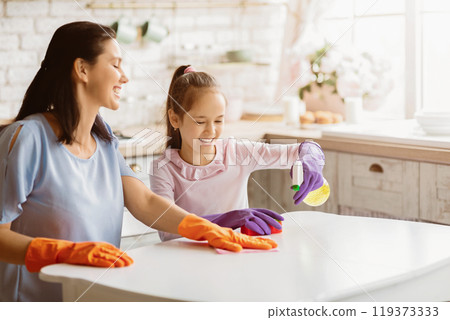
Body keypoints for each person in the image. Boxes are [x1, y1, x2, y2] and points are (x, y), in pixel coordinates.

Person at [0, 22, 277, 302]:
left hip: (91, 298)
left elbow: (143, 202)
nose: (125, 77)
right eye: (116, 65)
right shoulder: (26, 139)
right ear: (82, 69)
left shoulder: (104, 139)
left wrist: (204, 228)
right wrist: (61, 253)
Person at [150, 65, 326, 241]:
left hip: (234, 255)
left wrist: (312, 160)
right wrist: (226, 220)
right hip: (184, 260)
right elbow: (167, 229)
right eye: (200, 121)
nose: (211, 131)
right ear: (175, 119)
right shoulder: (164, 169)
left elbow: (303, 149)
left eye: (219, 120)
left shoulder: (237, 153)